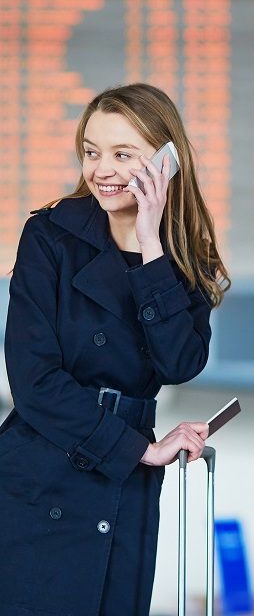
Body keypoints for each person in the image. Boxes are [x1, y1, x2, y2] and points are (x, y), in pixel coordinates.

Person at [0, 83, 230, 616]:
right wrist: (137, 450)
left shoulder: (184, 256)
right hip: (42, 472)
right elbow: (33, 382)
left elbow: (180, 362)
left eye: (123, 154)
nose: (101, 169)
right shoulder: (50, 235)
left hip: (124, 488)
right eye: (91, 151)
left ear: (166, 161)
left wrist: (152, 246)